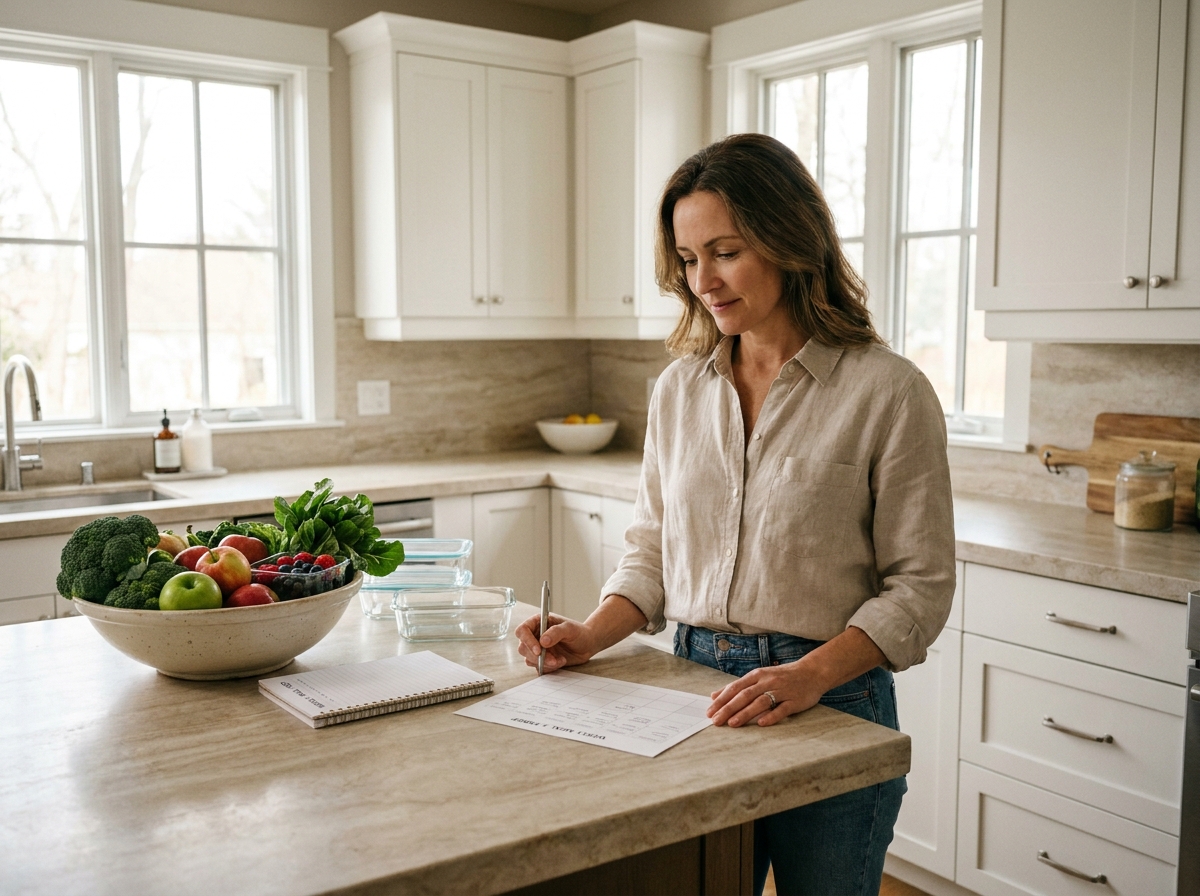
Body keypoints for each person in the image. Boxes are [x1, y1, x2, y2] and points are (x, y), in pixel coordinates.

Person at [515, 133, 956, 896]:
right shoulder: (680, 389)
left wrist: (809, 676)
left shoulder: (888, 391)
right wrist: (589, 633)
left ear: (790, 241)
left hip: (830, 699)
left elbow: (919, 588)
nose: (703, 280)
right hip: (688, 689)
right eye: (688, 259)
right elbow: (653, 550)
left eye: (724, 251)